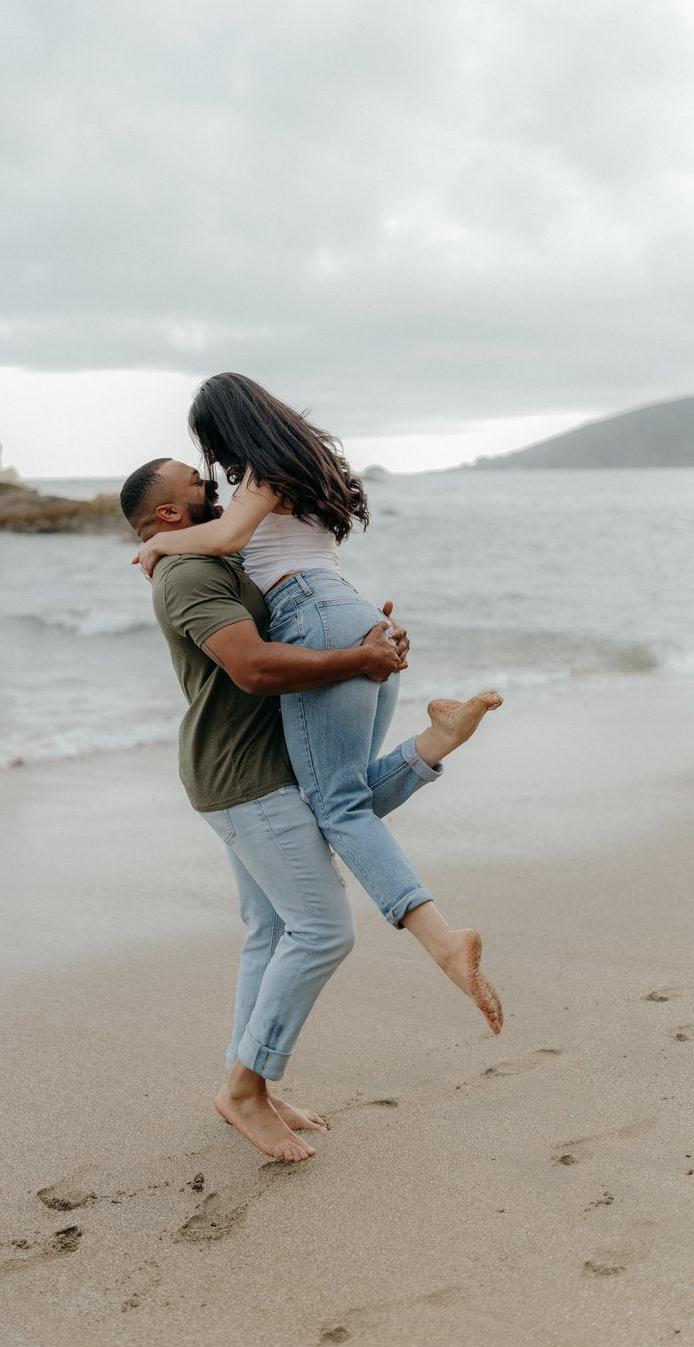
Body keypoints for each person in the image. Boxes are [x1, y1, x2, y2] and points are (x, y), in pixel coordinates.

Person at [120, 457, 498, 1165]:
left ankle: (253, 1087)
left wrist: (363, 644)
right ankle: (242, 1089)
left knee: (270, 928)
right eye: (196, 485)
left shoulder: (209, 557)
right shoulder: (188, 574)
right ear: (167, 515)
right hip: (243, 780)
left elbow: (286, 638)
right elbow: (255, 668)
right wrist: (356, 663)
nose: (215, 488)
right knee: (322, 930)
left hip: (266, 767)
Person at [134, 374, 503, 1033]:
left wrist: (159, 542)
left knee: (334, 804)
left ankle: (444, 941)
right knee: (345, 796)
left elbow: (223, 541)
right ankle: (432, 746)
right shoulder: (307, 461)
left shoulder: (260, 474)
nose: (211, 469)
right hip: (353, 610)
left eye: (208, 448)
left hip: (314, 618)